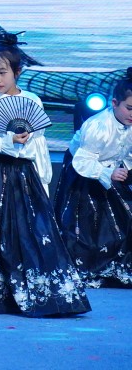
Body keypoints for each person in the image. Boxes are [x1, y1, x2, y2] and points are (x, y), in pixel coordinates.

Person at [0, 41, 90, 316]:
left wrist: (42, 179)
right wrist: (7, 141)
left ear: (17, 72)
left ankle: (38, 295)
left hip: (23, 175)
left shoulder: (32, 101)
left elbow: (37, 145)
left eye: (2, 72)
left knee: (31, 232)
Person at [54, 78, 132, 287]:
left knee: (123, 213)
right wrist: (108, 173)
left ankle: (117, 263)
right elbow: (83, 161)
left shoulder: (128, 124)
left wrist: (124, 168)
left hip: (111, 168)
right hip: (83, 171)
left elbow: (126, 150)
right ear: (114, 103)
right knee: (85, 221)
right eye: (129, 108)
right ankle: (89, 265)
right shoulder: (98, 126)